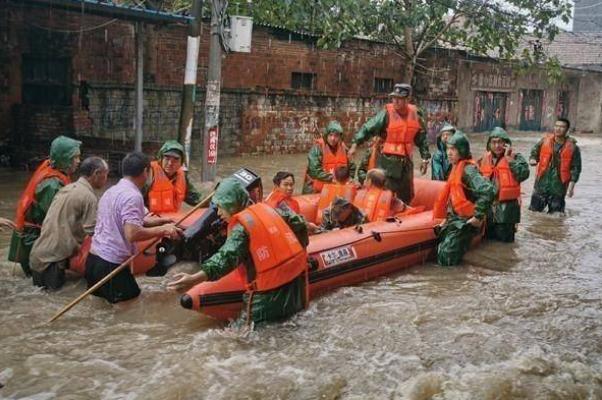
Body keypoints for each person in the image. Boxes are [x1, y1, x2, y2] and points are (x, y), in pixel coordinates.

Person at [168, 177, 309, 326]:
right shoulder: (269, 208)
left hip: (269, 295)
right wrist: (302, 247)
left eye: (220, 207)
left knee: (242, 337)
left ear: (231, 204)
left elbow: (226, 258)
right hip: (296, 285)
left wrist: (194, 279)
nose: (219, 213)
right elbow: (299, 223)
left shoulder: (241, 228)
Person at [85, 152, 182, 303]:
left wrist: (163, 222)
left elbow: (131, 222)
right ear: (145, 171)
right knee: (129, 307)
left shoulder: (112, 191)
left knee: (102, 309)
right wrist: (164, 230)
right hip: (110, 265)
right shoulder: (132, 196)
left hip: (93, 260)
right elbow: (132, 233)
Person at [29, 157, 109, 290]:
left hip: (38, 255)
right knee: (54, 302)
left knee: (41, 299)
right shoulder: (89, 197)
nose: (106, 179)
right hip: (53, 262)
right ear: (96, 173)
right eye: (106, 174)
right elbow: (93, 232)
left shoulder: (67, 188)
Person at [8, 136, 82, 276]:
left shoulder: (52, 168)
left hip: (32, 236)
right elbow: (57, 218)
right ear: (64, 158)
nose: (78, 161)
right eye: (75, 157)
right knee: (45, 286)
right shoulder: (52, 184)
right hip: (33, 239)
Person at [348, 83, 431, 203]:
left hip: (406, 162)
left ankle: (404, 215)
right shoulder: (386, 114)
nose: (395, 101)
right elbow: (368, 128)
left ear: (408, 99)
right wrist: (355, 144)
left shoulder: (416, 114)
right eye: (394, 98)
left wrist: (425, 158)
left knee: (407, 194)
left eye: (399, 98)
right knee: (386, 193)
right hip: (387, 162)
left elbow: (421, 138)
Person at [433, 132, 495, 266]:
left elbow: (488, 190)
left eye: (453, 149)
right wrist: (446, 219)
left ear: (462, 150)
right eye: (448, 149)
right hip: (457, 218)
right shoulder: (456, 168)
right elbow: (455, 197)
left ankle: (452, 285)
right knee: (444, 252)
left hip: (467, 221)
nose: (449, 153)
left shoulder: (468, 170)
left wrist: (478, 216)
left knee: (447, 255)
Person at [477, 127, 529, 242]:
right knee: (487, 244)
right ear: (489, 144)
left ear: (506, 144)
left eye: (500, 142)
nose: (497, 146)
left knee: (505, 246)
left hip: (507, 212)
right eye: (494, 142)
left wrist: (509, 159)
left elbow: (524, 174)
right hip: (488, 210)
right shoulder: (483, 159)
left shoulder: (516, 157)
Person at [528, 118, 581, 214]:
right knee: (533, 213)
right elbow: (534, 152)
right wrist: (532, 159)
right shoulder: (544, 141)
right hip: (541, 185)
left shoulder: (573, 148)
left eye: (562, 127)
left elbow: (576, 168)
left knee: (556, 217)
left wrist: (571, 188)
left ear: (567, 129)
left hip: (558, 187)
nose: (558, 129)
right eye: (556, 126)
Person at [144, 140, 203, 213]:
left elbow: (196, 199)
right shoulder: (149, 173)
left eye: (175, 160)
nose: (170, 163)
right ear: (161, 159)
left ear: (181, 163)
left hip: (171, 222)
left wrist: (215, 200)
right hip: (149, 220)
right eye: (167, 158)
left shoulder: (182, 177)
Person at [302, 121, 353, 194]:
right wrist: (333, 178)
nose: (333, 138)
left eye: (336, 136)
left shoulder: (344, 149)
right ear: (326, 135)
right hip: (317, 190)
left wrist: (349, 179)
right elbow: (315, 171)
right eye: (331, 135)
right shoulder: (317, 149)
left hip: (336, 188)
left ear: (340, 137)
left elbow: (352, 167)